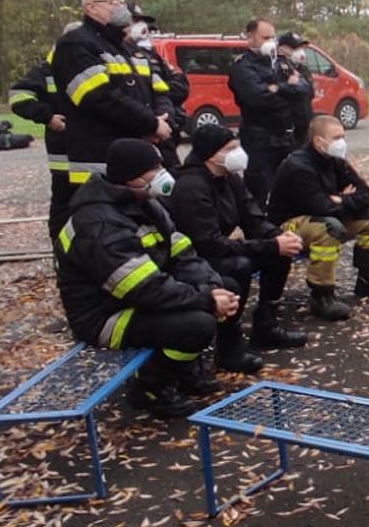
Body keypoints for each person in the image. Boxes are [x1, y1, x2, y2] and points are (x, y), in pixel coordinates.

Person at [58, 139, 238, 418]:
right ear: (132, 177)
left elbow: (182, 253)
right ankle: (152, 387)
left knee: (228, 287)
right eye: (155, 168)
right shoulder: (99, 223)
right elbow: (141, 288)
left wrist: (212, 287)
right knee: (198, 324)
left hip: (140, 297)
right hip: (104, 315)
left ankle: (182, 371)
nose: (163, 173)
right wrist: (204, 300)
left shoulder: (146, 203)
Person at [165, 125, 309, 373]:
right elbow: (208, 242)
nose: (238, 153)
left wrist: (277, 237)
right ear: (211, 154)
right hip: (192, 259)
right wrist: (268, 245)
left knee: (279, 253)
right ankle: (228, 344)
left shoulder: (229, 178)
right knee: (239, 267)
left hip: (217, 249)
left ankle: (266, 324)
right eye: (230, 149)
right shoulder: (191, 186)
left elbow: (252, 217)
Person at [50, 0, 174, 228]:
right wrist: (150, 123)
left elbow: (158, 89)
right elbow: (98, 97)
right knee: (105, 227)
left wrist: (162, 119)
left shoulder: (128, 49)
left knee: (145, 224)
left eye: (121, 3)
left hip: (138, 154)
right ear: (91, 8)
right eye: (113, 3)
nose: (121, 9)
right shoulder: (75, 44)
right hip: (100, 159)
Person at [267, 115, 369, 319]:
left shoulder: (334, 160)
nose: (342, 142)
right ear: (318, 141)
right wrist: (343, 200)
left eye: (343, 136)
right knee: (330, 227)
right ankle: (321, 295)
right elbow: (321, 207)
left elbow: (365, 193)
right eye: (336, 137)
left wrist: (340, 200)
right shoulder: (299, 166)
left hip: (321, 216)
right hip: (288, 226)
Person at [228, 19, 314, 204]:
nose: (271, 42)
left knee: (290, 189)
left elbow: (305, 89)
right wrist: (288, 90)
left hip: (286, 137)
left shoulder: (279, 63)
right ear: (250, 38)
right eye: (265, 37)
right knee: (260, 191)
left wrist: (278, 88)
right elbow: (259, 98)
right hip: (260, 139)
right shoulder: (243, 67)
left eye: (273, 37)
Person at [7, 24, 79, 242]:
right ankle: (61, 253)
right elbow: (18, 97)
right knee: (64, 209)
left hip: (93, 154)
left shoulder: (89, 66)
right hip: (64, 157)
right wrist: (47, 117)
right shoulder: (46, 70)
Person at [126, 4, 188, 169]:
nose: (141, 26)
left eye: (141, 21)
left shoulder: (153, 56)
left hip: (167, 132)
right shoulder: (118, 55)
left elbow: (181, 87)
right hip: (143, 134)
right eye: (135, 21)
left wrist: (160, 90)